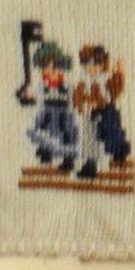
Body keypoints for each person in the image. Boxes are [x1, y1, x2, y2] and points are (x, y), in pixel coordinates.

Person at [72, 42, 130, 180]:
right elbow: (77, 98)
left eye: (96, 63)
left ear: (103, 65)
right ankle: (90, 165)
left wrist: (119, 73)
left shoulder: (105, 80)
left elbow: (116, 90)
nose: (92, 67)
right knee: (89, 141)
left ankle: (117, 154)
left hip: (104, 115)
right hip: (88, 117)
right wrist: (83, 106)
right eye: (88, 63)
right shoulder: (83, 82)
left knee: (106, 137)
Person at [25, 39, 79, 172]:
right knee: (45, 133)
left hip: (63, 116)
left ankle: (67, 160)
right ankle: (46, 154)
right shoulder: (43, 87)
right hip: (47, 115)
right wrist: (29, 95)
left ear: (61, 69)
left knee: (66, 137)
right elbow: (34, 95)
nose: (50, 71)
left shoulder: (67, 87)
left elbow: (74, 98)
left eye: (54, 67)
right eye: (46, 68)